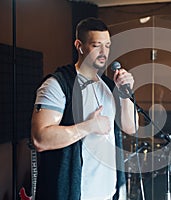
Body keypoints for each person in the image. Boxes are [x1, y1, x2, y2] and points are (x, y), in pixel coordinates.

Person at [31, 17, 138, 200]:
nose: (104, 52)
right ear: (80, 46)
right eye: (97, 45)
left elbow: (131, 127)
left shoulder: (108, 86)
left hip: (109, 192)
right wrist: (89, 126)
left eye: (108, 45)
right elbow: (40, 139)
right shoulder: (58, 84)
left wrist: (125, 94)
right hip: (76, 193)